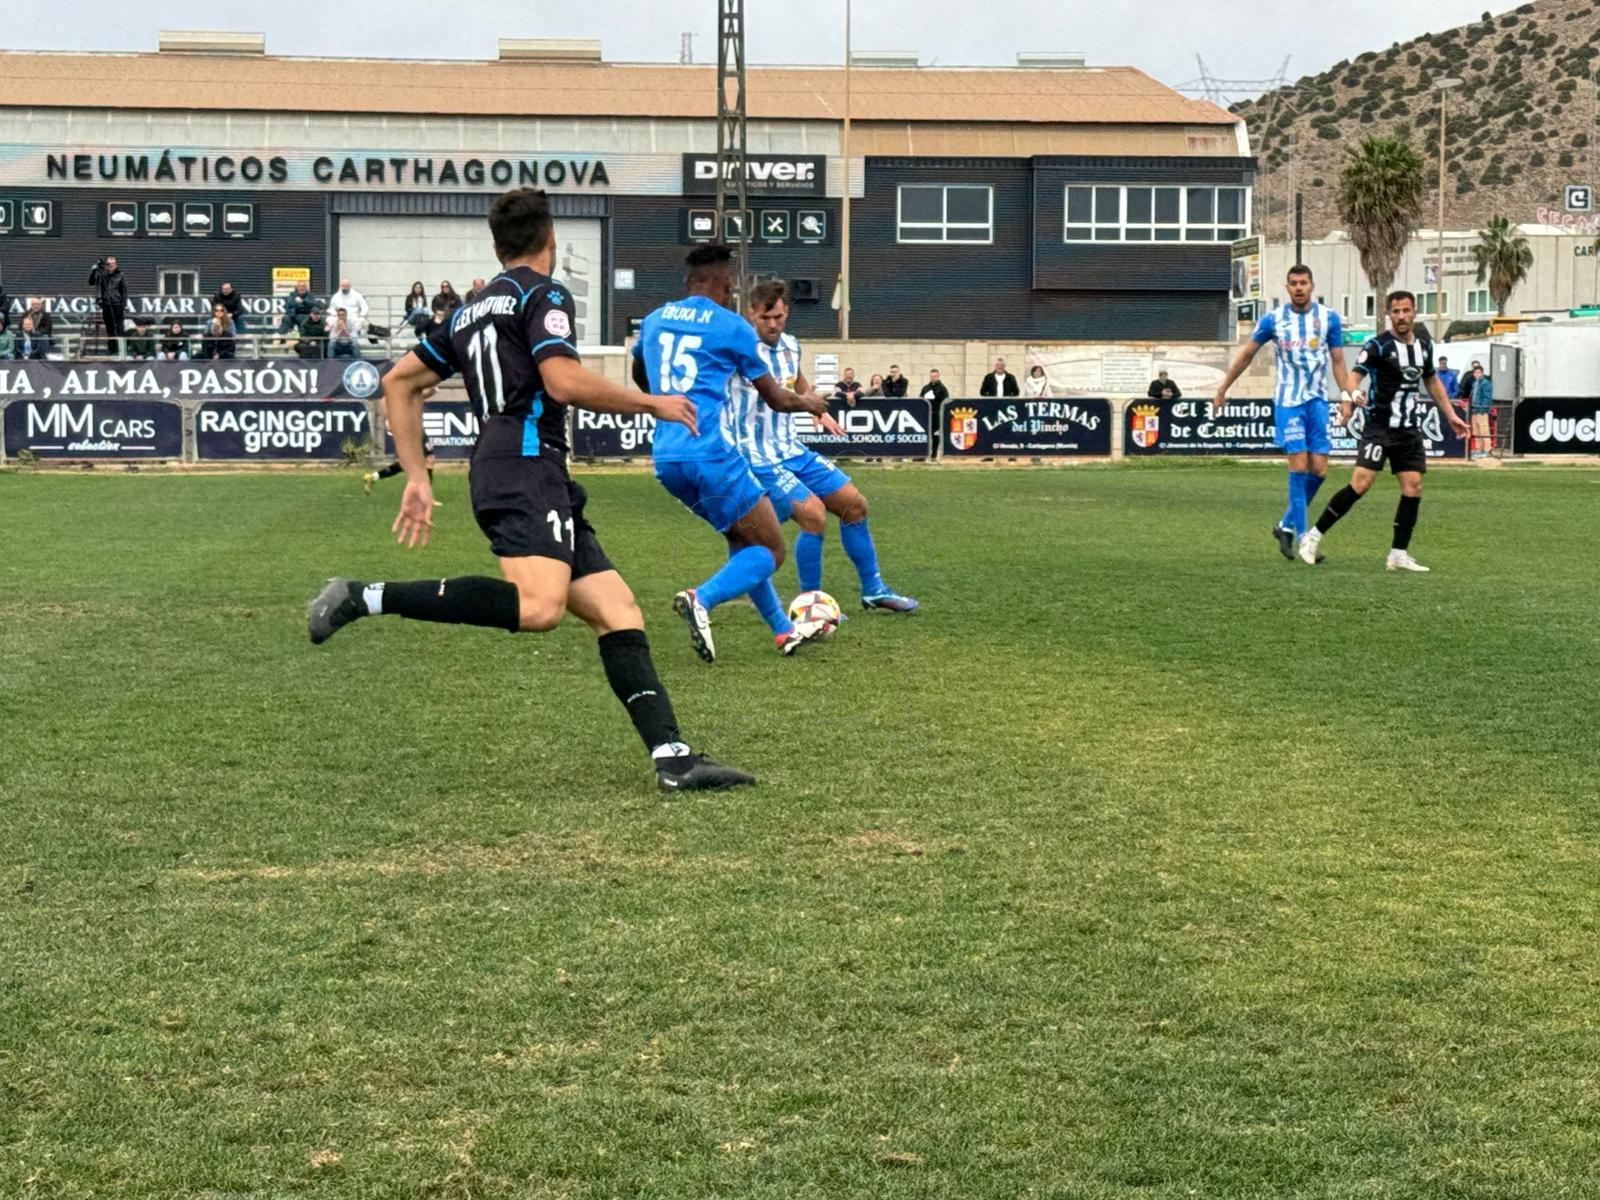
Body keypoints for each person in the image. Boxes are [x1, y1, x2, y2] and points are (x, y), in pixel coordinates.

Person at [307, 186, 751, 793]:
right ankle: (364, 596)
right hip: (523, 464)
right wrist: (651, 401)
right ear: (551, 240)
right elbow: (562, 381)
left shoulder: (468, 311)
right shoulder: (543, 293)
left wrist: (415, 472)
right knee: (540, 607)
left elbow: (397, 382)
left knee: (617, 610)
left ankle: (673, 758)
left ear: (497, 247)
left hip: (525, 468)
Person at [631, 244, 832, 662]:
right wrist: (810, 403)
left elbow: (640, 373)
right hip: (712, 455)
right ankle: (701, 598)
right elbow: (777, 398)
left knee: (743, 538)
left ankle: (783, 631)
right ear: (725, 285)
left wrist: (666, 400)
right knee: (770, 549)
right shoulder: (732, 327)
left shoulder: (654, 319)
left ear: (688, 281)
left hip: (667, 458)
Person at [727, 279, 919, 615]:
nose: (773, 325)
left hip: (791, 449)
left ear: (786, 313)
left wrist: (817, 408)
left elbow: (797, 380)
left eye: (778, 317)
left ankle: (873, 590)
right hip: (755, 455)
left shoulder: (791, 346)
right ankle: (810, 605)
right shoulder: (737, 349)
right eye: (765, 318)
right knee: (812, 516)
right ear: (751, 314)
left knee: (854, 505)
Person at [1299, 290, 1470, 572]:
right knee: (1361, 483)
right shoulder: (1377, 345)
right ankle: (1312, 537)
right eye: (1396, 311)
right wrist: (1350, 397)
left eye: (1406, 310)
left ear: (1414, 312)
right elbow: (1354, 377)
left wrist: (1451, 415)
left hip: (1408, 430)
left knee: (1413, 487)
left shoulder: (1424, 347)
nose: (1401, 316)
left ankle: (1398, 554)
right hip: (1379, 426)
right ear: (1389, 314)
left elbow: (1432, 382)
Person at [1211, 264, 1357, 561]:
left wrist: (1345, 396)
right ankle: (1303, 538)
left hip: (1317, 401)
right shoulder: (1273, 319)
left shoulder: (1328, 318)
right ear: (1287, 287)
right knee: (1299, 465)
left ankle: (1285, 525)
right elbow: (1247, 354)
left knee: (1320, 470)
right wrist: (1223, 387)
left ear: (1312, 285)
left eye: (1303, 282)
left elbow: (1338, 362)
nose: (1299, 287)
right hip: (1288, 402)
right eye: (1293, 283)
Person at [365, 434, 437, 495]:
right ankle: (427, 495)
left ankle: (372, 477)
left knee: (408, 463)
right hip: (412, 430)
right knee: (428, 459)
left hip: (417, 430)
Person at [89, 255, 127, 356]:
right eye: (109, 264)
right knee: (109, 328)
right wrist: (94, 271)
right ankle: (112, 349)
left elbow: (124, 291)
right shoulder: (102, 275)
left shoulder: (120, 275)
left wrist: (124, 305)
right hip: (106, 304)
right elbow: (91, 282)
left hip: (117, 304)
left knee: (119, 327)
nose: (111, 266)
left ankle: (120, 349)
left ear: (116, 264)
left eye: (113, 264)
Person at [1468, 361, 1494, 458]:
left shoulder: (1486, 383)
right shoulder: (1475, 383)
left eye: (1478, 372)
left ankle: (1487, 449)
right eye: (1475, 373)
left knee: (1484, 429)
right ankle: (1478, 449)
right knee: (1476, 431)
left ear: (1482, 373)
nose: (1476, 374)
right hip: (1474, 410)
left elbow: (1487, 398)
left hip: (1481, 410)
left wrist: (1483, 409)